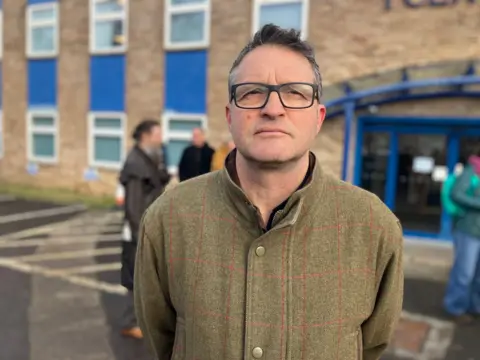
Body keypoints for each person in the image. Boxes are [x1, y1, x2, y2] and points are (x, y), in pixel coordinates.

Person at [134, 24, 404, 360]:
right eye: (251, 92)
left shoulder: (374, 226)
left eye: (295, 92)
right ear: (230, 116)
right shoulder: (167, 219)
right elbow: (163, 339)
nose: (273, 108)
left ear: (318, 118)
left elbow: (372, 344)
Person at [118, 119, 170, 339]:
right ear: (146, 137)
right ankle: (132, 322)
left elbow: (156, 181)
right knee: (135, 277)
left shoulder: (148, 158)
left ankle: (146, 319)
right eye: (158, 134)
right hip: (137, 232)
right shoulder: (135, 164)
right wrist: (141, 237)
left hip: (149, 228)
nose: (161, 139)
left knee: (151, 277)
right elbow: (133, 206)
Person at [443, 154, 480, 324]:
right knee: (464, 273)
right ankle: (455, 308)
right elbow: (456, 193)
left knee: (478, 276)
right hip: (469, 230)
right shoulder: (471, 171)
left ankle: (475, 307)